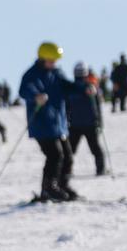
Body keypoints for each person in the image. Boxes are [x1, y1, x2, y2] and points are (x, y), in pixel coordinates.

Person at [18, 41, 95, 202]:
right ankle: (49, 189)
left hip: (58, 124)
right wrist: (35, 96)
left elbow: (68, 86)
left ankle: (62, 185)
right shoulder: (32, 74)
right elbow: (25, 89)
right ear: (43, 58)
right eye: (51, 60)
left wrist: (85, 89)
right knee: (55, 155)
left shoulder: (56, 74)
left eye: (55, 60)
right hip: (42, 124)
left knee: (68, 156)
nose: (54, 63)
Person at [66, 62, 106, 176]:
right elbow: (97, 107)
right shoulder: (91, 88)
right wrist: (99, 122)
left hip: (74, 124)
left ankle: (66, 171)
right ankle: (100, 169)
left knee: (70, 150)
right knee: (95, 148)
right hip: (90, 124)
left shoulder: (71, 88)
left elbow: (66, 107)